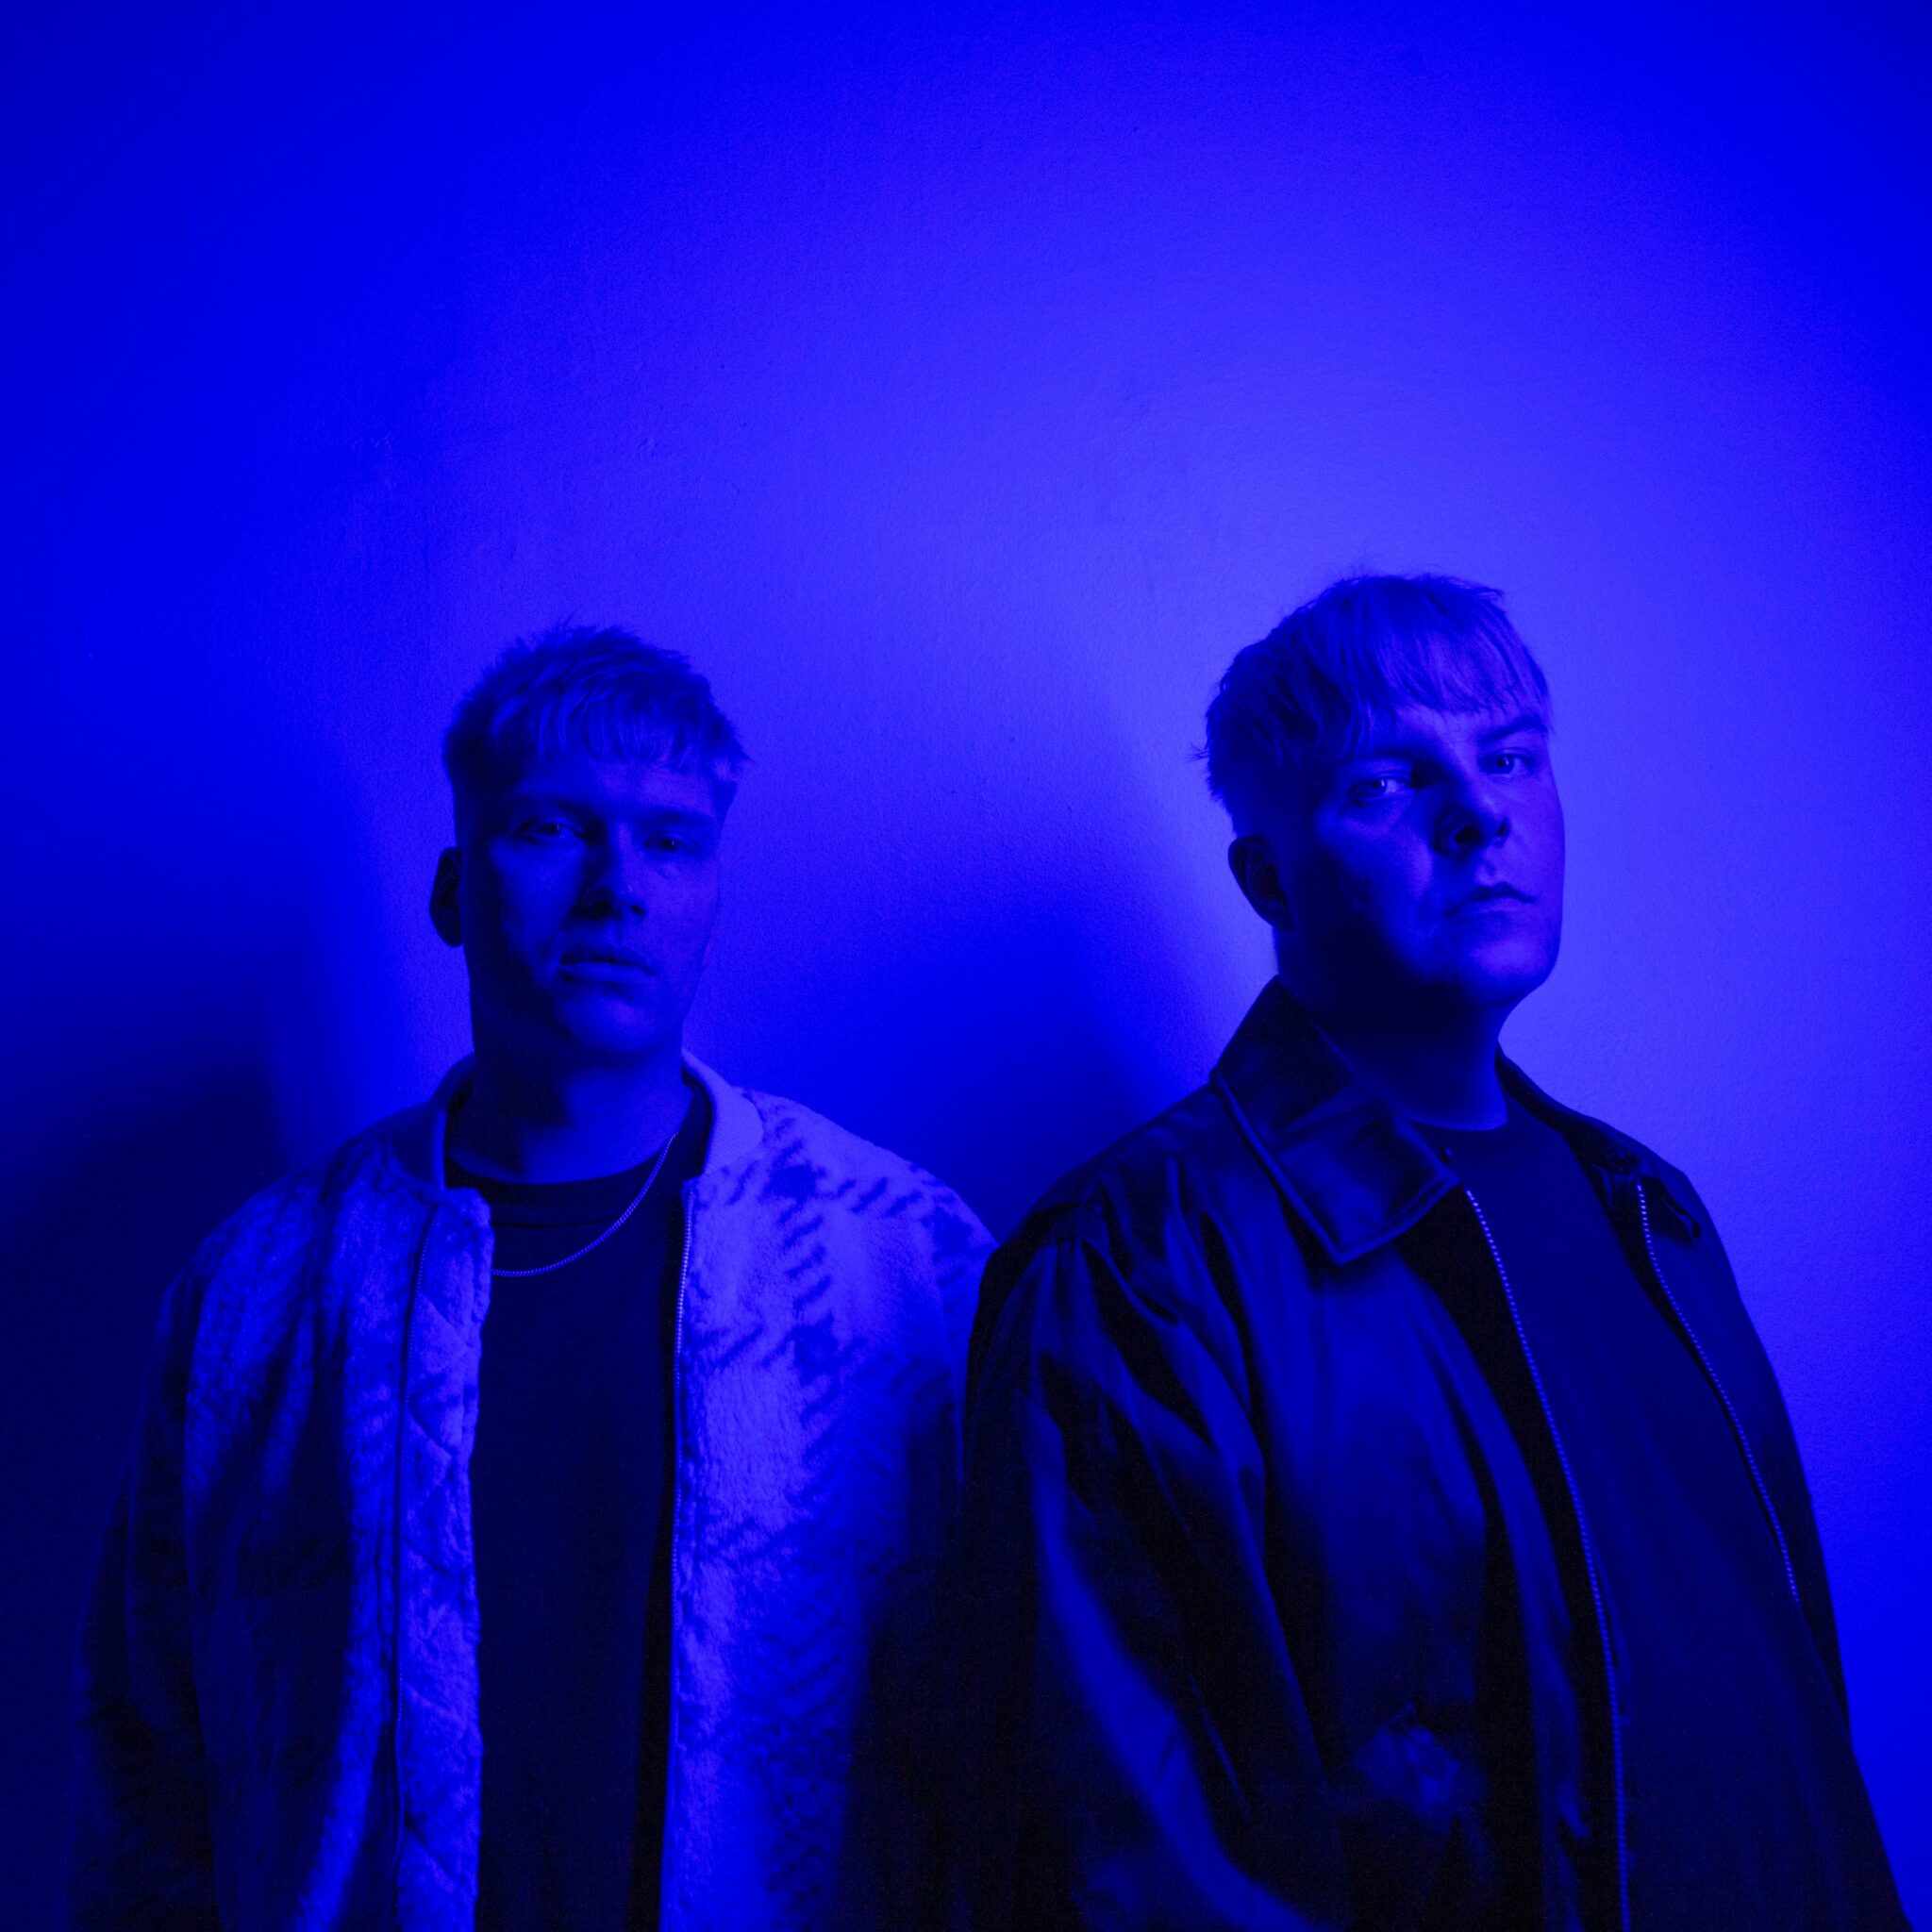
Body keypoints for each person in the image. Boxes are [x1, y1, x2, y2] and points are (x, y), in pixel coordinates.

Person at [952, 575, 1905, 1930]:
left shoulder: (1653, 1210)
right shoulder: (1140, 1261)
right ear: (1269, 879)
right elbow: (1124, 1859)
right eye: (1385, 783)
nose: (1480, 813)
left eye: (1510, 757)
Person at [70, 625, 991, 1931]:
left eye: (670, 841)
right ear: (455, 892)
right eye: (552, 829)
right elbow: (145, 1767)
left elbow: (1014, 1740)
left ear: (712, 897)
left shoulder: (902, 1263)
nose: (618, 888)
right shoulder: (261, 1288)